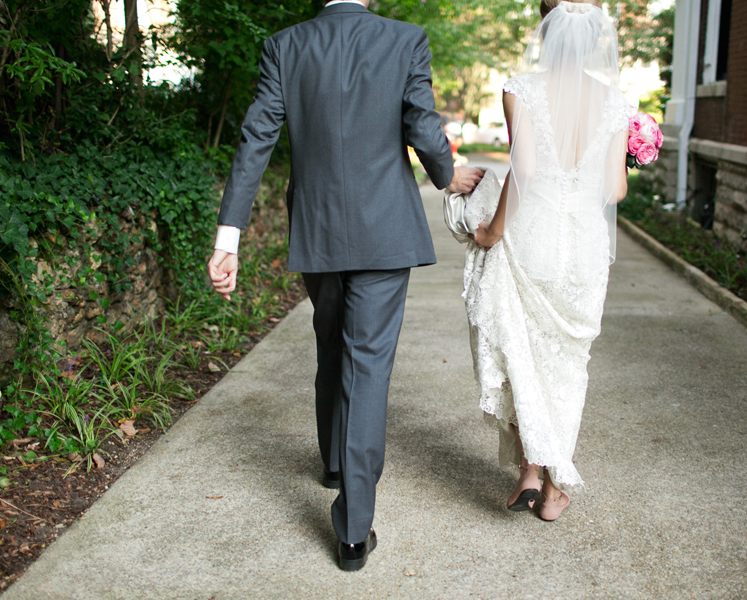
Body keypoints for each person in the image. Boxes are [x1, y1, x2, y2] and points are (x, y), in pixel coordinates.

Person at [206, 0, 484, 571]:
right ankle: (354, 531)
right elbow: (421, 123)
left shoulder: (286, 45)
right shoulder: (405, 39)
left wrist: (227, 239)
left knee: (331, 338)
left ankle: (333, 462)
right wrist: (445, 173)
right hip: (385, 230)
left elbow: (255, 137)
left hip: (318, 229)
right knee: (368, 364)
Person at [465, 0, 631, 521]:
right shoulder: (616, 102)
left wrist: (492, 231)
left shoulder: (521, 90)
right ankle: (553, 484)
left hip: (532, 238)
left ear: (544, 26)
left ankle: (532, 472)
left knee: (524, 354)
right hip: (583, 248)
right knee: (568, 363)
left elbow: (527, 171)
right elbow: (615, 188)